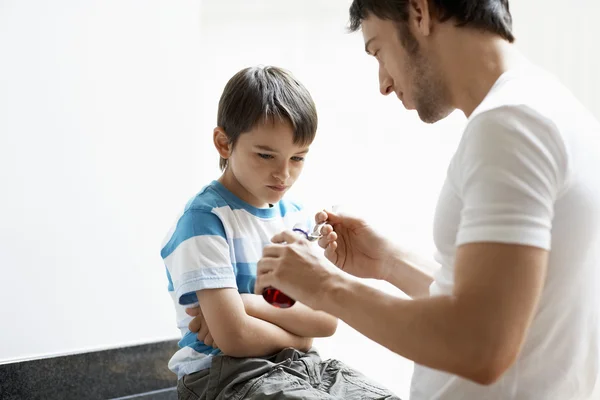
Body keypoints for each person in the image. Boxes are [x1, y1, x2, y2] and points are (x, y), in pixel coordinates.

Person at [253, 1, 600, 399]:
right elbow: (503, 307)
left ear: (419, 12)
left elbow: (480, 344)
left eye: (378, 50)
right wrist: (388, 262)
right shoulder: (552, 106)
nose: (382, 82)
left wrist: (324, 284)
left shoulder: (509, 126)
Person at [161, 65, 400, 399]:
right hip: (226, 376)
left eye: (298, 158)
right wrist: (298, 335)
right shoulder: (204, 220)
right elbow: (233, 338)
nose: (283, 174)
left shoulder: (296, 217)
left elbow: (325, 320)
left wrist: (246, 303)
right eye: (265, 155)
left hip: (301, 365)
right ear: (224, 143)